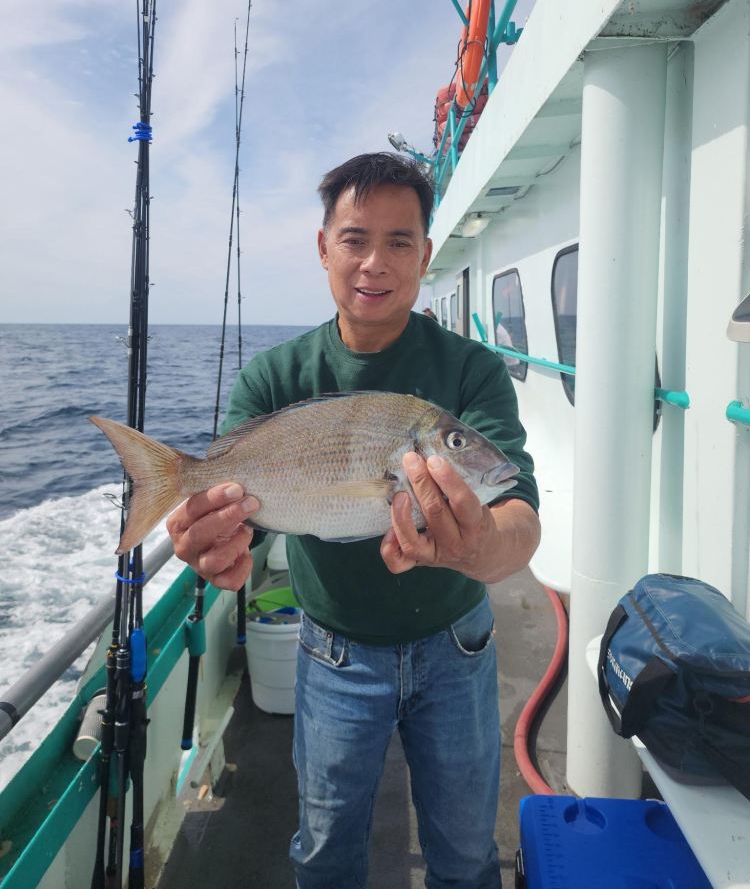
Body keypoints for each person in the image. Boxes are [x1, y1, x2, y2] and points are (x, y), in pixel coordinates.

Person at [167, 152, 540, 889]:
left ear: (426, 255)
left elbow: (519, 515)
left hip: (458, 650)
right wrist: (215, 535)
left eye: (400, 241)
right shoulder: (273, 377)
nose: (376, 262)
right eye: (355, 239)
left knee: (467, 856)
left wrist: (480, 546)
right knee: (327, 849)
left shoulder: (472, 372)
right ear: (323, 248)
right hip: (333, 654)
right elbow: (249, 515)